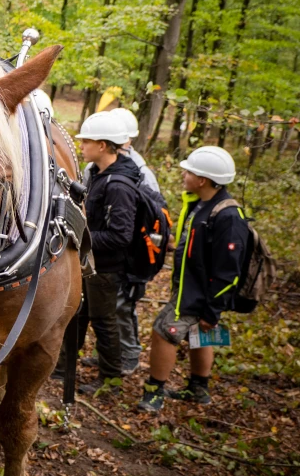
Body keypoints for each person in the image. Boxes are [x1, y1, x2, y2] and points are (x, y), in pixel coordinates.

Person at [139, 147, 249, 413]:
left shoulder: (228, 216)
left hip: (199, 295)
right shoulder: (202, 205)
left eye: (189, 171)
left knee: (163, 331)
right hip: (191, 288)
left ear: (203, 179)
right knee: (202, 335)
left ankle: (155, 392)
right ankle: (199, 388)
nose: (184, 174)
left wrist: (212, 310)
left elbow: (228, 271)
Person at [74, 111, 142, 394]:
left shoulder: (119, 185)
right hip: (93, 263)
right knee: (78, 315)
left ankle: (111, 379)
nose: (81, 147)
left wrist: (81, 237)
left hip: (106, 269)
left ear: (102, 145)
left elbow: (120, 235)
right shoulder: (100, 175)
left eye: (86, 141)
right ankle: (63, 366)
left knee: (104, 321)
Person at [108, 107, 161, 194]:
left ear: (130, 140)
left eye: (123, 138)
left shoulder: (144, 175)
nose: (117, 143)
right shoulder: (93, 168)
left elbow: (157, 206)